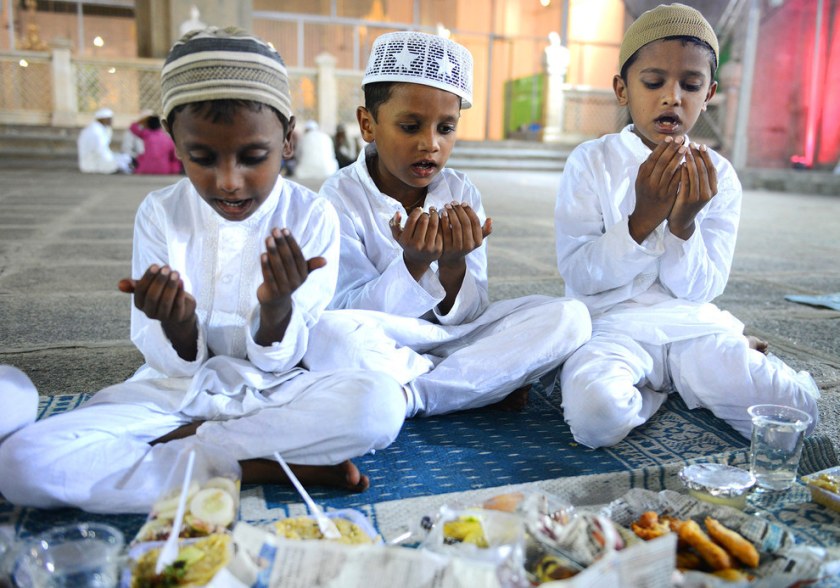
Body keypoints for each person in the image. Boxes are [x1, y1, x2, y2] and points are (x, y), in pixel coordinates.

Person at [0, 27, 405, 514]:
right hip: (171, 396)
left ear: (288, 140)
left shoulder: (310, 215)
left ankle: (193, 449)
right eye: (202, 158)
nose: (229, 181)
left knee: (379, 403)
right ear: (174, 141)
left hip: (274, 393)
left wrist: (276, 307)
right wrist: (177, 324)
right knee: (21, 464)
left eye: (253, 157)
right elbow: (170, 361)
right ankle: (258, 463)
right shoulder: (159, 212)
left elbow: (280, 361)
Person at [553, 3, 820, 449]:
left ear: (708, 93)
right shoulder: (590, 161)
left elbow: (700, 290)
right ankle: (663, 387)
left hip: (689, 327)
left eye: (690, 85)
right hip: (609, 326)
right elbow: (580, 274)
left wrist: (683, 224)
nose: (672, 97)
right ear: (622, 89)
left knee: (794, 416)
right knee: (597, 417)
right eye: (653, 82)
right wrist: (641, 220)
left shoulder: (718, 175)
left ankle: (688, 371)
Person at [303, 31, 592, 418]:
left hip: (456, 340)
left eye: (445, 128)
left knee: (569, 317)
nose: (430, 144)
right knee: (323, 337)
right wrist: (413, 265)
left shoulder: (460, 191)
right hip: (383, 340)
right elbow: (344, 309)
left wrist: (455, 266)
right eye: (410, 126)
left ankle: (413, 395)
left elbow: (471, 316)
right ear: (368, 124)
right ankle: (474, 385)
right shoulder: (340, 196)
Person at [77, 108, 133, 174]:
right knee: (120, 163)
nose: (111, 121)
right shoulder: (95, 131)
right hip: (93, 163)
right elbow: (100, 151)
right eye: (108, 119)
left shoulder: (100, 129)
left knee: (125, 158)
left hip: (97, 159)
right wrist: (111, 160)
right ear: (102, 119)